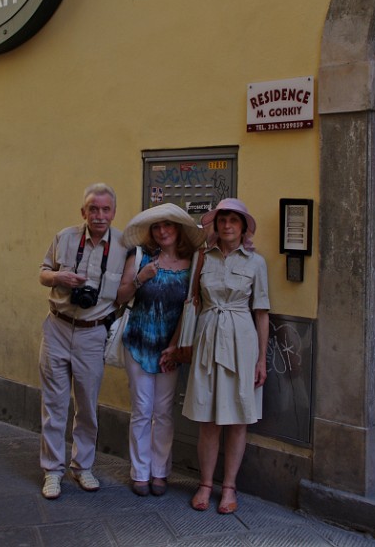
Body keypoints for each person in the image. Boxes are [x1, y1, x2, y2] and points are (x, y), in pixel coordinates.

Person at [162, 197, 269, 514]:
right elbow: (192, 304)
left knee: (237, 420)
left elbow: (262, 313)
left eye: (233, 220)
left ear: (243, 226)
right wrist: (176, 343)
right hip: (207, 338)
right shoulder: (202, 258)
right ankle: (206, 484)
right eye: (222, 220)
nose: (226, 226)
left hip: (241, 341)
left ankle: (230, 487)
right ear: (216, 224)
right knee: (208, 419)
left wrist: (261, 359)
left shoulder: (256, 263)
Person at [38, 183, 128, 500]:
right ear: (83, 212)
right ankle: (52, 471)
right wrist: (58, 278)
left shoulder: (125, 245)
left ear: (114, 213)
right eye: (93, 208)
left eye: (105, 209)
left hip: (94, 332)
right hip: (58, 327)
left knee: (87, 405)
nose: (99, 215)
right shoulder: (64, 237)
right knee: (54, 404)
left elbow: (167, 246)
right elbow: (42, 273)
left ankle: (82, 466)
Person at [115, 203, 206, 497]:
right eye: (157, 226)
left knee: (165, 411)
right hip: (139, 340)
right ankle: (140, 471)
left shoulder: (192, 262)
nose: (163, 231)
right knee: (142, 408)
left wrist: (175, 346)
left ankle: (160, 471)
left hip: (171, 346)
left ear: (178, 229)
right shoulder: (140, 256)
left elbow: (192, 305)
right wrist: (142, 278)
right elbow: (120, 297)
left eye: (168, 225)